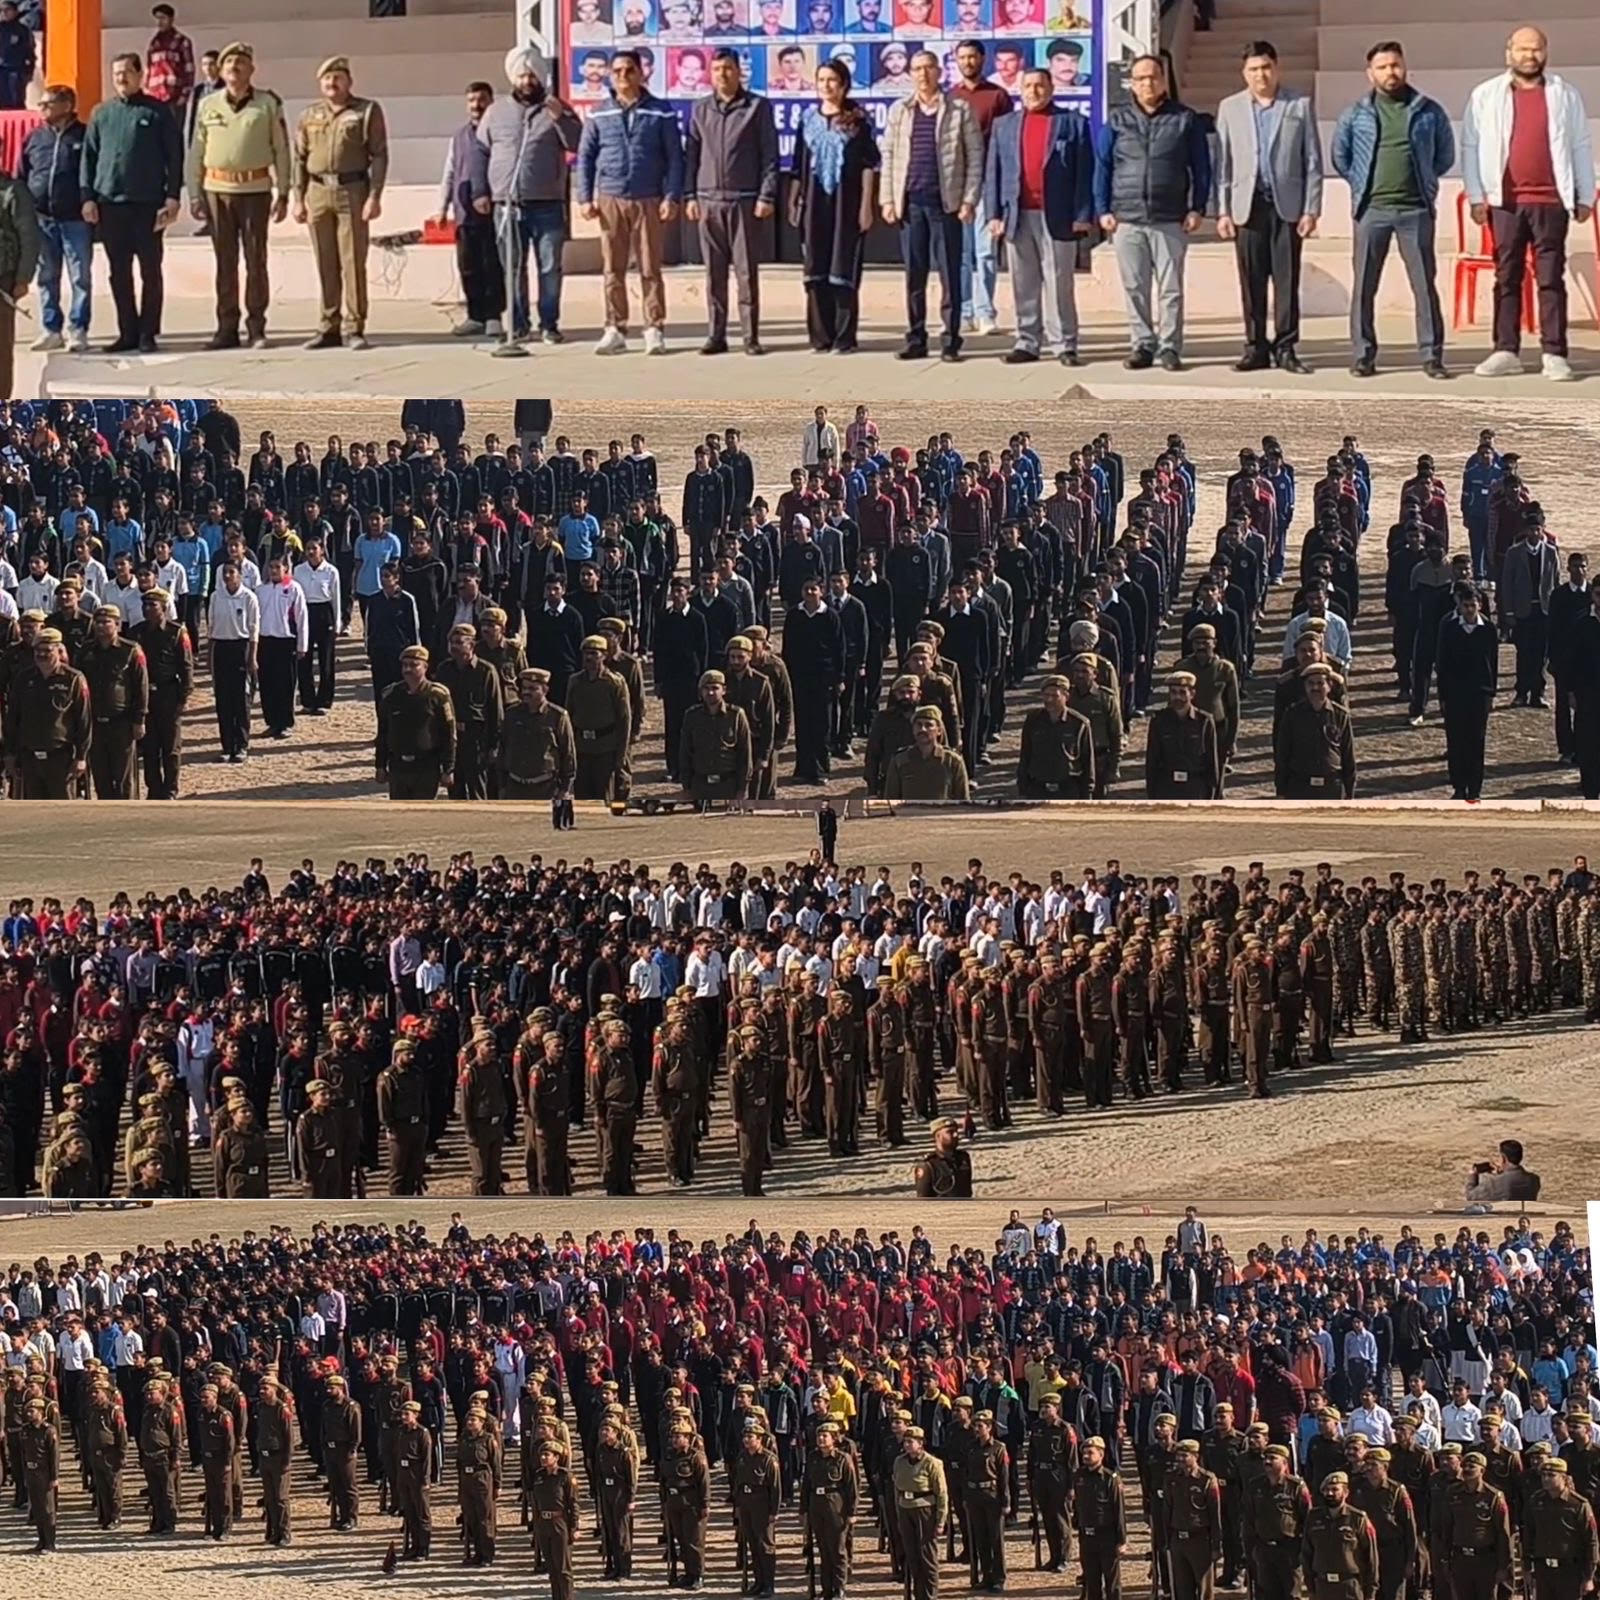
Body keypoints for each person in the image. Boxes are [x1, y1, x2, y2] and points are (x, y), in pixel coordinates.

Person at [1462, 26, 1593, 383]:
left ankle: (1554, 353)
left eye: (1535, 49)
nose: (1529, 56)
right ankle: (1506, 350)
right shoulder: (1487, 94)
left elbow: (1580, 144)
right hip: (1505, 202)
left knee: (1551, 278)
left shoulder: (1565, 95)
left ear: (1545, 52)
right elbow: (1471, 147)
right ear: (1509, 53)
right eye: (1522, 49)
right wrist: (1477, 196)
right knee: (1507, 276)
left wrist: (1585, 194)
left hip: (1551, 201)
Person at [1331, 41, 1455, 379]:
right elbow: (1340, 157)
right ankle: (1363, 355)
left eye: (1395, 65)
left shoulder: (1428, 110)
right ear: (1370, 73)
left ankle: (1431, 356)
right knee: (1365, 287)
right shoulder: (1356, 113)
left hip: (1416, 211)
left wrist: (1425, 182)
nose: (1390, 72)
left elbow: (1445, 156)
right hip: (1372, 211)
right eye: (1383, 67)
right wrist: (1362, 186)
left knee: (1424, 286)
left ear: (1405, 67)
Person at [1213, 39, 1323, 374]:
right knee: (1252, 281)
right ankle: (1255, 347)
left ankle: (1286, 347)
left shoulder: (1299, 105)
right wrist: (1222, 211)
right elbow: (1224, 164)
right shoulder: (1230, 108)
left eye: (1266, 67)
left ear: (1276, 68)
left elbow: (1312, 161)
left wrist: (1311, 209)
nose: (1260, 75)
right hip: (1247, 207)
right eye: (1253, 69)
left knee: (1287, 281)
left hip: (1286, 206)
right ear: (1244, 73)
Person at [1094, 54, 1209, 371]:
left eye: (1153, 77)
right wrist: (1102, 208)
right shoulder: (1117, 121)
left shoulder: (1184, 119)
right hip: (1127, 218)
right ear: (1132, 82)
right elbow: (1102, 168)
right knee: (1135, 287)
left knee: (1170, 289)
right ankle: (1142, 344)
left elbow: (1201, 168)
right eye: (1140, 78)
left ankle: (1170, 347)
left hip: (1170, 217)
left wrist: (1198, 206)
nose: (1147, 83)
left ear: (1163, 80)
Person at [576, 49, 684, 356]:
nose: (623, 76)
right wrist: (584, 197)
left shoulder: (660, 111)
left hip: (648, 197)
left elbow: (675, 157)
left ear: (641, 73)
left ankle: (654, 328)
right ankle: (615, 328)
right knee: (613, 268)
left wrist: (672, 196)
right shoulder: (599, 112)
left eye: (629, 70)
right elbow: (585, 157)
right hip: (610, 198)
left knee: (650, 267)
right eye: (618, 71)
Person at [983, 68, 1093, 366]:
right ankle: (1028, 342)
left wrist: (1083, 214)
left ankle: (1064, 344)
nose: (1034, 91)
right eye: (1028, 86)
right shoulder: (1004, 125)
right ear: (1020, 90)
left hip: (1058, 216)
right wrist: (993, 214)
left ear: (1051, 88)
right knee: (1023, 282)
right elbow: (992, 172)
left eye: (1040, 85)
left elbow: (1085, 173)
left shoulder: (1072, 123)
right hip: (1017, 215)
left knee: (1059, 282)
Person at [186, 42, 292, 351]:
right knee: (224, 262)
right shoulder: (208, 104)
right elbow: (197, 151)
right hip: (217, 191)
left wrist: (284, 191)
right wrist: (194, 193)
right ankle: (226, 328)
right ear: (219, 70)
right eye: (228, 61)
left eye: (241, 62)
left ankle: (257, 327)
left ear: (251, 69)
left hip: (255, 191)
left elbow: (281, 149)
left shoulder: (267, 103)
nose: (234, 66)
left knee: (255, 260)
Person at [881, 50, 982, 362]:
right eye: (917, 68)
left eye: (928, 68)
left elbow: (975, 158)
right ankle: (916, 338)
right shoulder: (900, 110)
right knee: (915, 275)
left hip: (946, 205)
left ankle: (951, 340)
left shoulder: (959, 109)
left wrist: (969, 199)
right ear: (910, 74)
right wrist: (886, 199)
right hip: (910, 205)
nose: (922, 74)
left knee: (950, 274)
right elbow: (889, 156)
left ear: (939, 72)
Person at [80, 52, 184, 354]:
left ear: (140, 75)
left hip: (148, 205)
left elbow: (173, 156)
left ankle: (148, 332)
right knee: (118, 272)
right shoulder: (101, 113)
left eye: (126, 72)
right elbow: (88, 158)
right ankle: (127, 332)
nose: (121, 78)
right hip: (111, 204)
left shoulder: (157, 111)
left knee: (150, 270)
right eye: (116, 74)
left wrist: (172, 196)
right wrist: (88, 196)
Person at [477, 50, 580, 351]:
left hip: (547, 204)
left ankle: (549, 324)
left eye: (531, 75)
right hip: (507, 205)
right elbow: (481, 151)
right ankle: (519, 325)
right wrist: (482, 192)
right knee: (513, 267)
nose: (526, 81)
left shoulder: (558, 109)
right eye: (521, 75)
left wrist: (560, 118)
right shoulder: (495, 112)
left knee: (549, 267)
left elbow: (577, 142)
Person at [684, 48, 779, 356]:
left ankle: (750, 336)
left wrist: (767, 194)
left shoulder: (757, 107)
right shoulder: (700, 109)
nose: (722, 74)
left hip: (744, 201)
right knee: (714, 273)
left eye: (728, 69)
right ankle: (716, 335)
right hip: (708, 201)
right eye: (716, 69)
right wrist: (689, 195)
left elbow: (769, 156)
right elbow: (691, 157)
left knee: (746, 272)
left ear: (739, 72)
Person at [292, 57, 389, 352]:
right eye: (327, 79)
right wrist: (298, 198)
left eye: (338, 78)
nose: (332, 84)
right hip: (318, 192)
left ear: (349, 81)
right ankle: (328, 324)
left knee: (352, 262)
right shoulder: (309, 115)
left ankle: (354, 326)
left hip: (352, 190)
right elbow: (299, 158)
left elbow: (380, 155)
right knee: (325, 261)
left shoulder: (366, 111)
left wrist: (375, 196)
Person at [790, 60, 879, 353]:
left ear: (843, 85)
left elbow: (869, 165)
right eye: (822, 80)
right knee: (816, 267)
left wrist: (866, 206)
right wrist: (795, 201)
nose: (827, 86)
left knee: (843, 266)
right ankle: (820, 336)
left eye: (832, 80)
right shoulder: (807, 119)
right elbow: (797, 166)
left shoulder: (858, 121)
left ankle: (844, 336)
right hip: (814, 203)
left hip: (847, 204)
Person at [20, 85, 89, 355]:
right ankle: (51, 329)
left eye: (48, 104)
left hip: (74, 218)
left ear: (67, 105)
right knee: (47, 276)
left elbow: (89, 174)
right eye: (42, 104)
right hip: (42, 218)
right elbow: (22, 172)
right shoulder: (35, 138)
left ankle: (78, 329)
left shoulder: (83, 136)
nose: (42, 109)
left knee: (80, 275)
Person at [951, 39, 1012, 339]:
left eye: (972, 57)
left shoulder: (997, 96)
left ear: (982, 59)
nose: (968, 62)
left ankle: (985, 312)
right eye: (962, 57)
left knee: (985, 252)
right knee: (961, 253)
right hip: (957, 184)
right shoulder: (949, 96)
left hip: (988, 181)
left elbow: (1006, 141)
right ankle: (964, 312)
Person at [435, 80, 505, 342]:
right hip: (464, 213)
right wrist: (441, 208)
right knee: (469, 266)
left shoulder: (498, 132)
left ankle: (493, 317)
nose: (476, 105)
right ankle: (475, 316)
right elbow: (450, 171)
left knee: (491, 265)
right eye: (472, 100)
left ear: (491, 102)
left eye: (481, 99)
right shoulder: (459, 136)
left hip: (492, 211)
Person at [1435, 581, 1498, 802]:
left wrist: (1491, 693)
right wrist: (1442, 695)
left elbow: (1493, 662)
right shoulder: (1450, 628)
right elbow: (1441, 663)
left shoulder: (1488, 629)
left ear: (1479, 605)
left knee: (1476, 740)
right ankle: (1459, 785)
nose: (1470, 609)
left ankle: (1475, 787)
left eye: (1473, 605)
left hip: (1479, 693)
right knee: (1456, 740)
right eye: (1466, 605)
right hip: (1455, 693)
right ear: (1459, 606)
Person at [376, 645, 456, 799]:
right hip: (398, 766)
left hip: (426, 766)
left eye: (413, 665)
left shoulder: (438, 695)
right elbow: (383, 732)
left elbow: (449, 734)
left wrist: (448, 768)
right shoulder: (391, 695)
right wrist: (380, 765)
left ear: (425, 667)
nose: (408, 669)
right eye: (405, 665)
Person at [1498, 510, 1558, 708]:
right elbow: (1506, 583)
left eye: (1538, 529)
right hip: (1522, 611)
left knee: (1541, 654)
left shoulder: (1550, 552)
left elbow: (1555, 583)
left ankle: (1538, 693)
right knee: (1523, 652)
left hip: (1543, 611)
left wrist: (1555, 612)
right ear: (1526, 531)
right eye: (1531, 529)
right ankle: (1521, 692)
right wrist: (1508, 612)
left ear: (1543, 530)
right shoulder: (1514, 553)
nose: (1534, 533)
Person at [1273, 662, 1355, 800]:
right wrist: (1280, 790)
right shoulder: (1292, 714)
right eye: (1311, 683)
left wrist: (1350, 792)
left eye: (1320, 683)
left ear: (1329, 686)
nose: (1315, 687)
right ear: (1305, 687)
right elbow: (1283, 755)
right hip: (1299, 786)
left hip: (1331, 786)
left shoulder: (1340, 715)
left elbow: (1348, 755)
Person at [145, 5, 195, 126]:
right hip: (155, 97)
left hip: (174, 97)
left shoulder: (182, 41)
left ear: (171, 19)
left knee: (173, 134)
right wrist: (146, 91)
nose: (159, 22)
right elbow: (149, 69)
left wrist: (184, 95)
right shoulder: (154, 43)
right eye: (157, 19)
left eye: (163, 18)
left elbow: (189, 70)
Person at [1463, 1137, 1541, 1207]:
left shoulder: (1492, 1182)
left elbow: (1471, 1196)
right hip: (1522, 1218)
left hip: (1501, 1221)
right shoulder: (1534, 1180)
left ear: (1504, 1158)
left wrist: (1472, 1174)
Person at [914, 1114, 972, 1196]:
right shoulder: (928, 1165)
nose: (956, 1135)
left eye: (956, 1131)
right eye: (950, 1132)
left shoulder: (963, 1158)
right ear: (937, 1136)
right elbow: (923, 1199)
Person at [0, 0, 35, 110]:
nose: (3, 13)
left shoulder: (22, 30)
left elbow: (29, 52)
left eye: (7, 10)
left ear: (15, 12)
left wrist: (29, 71)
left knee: (15, 101)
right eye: (1, 10)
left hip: (15, 71)